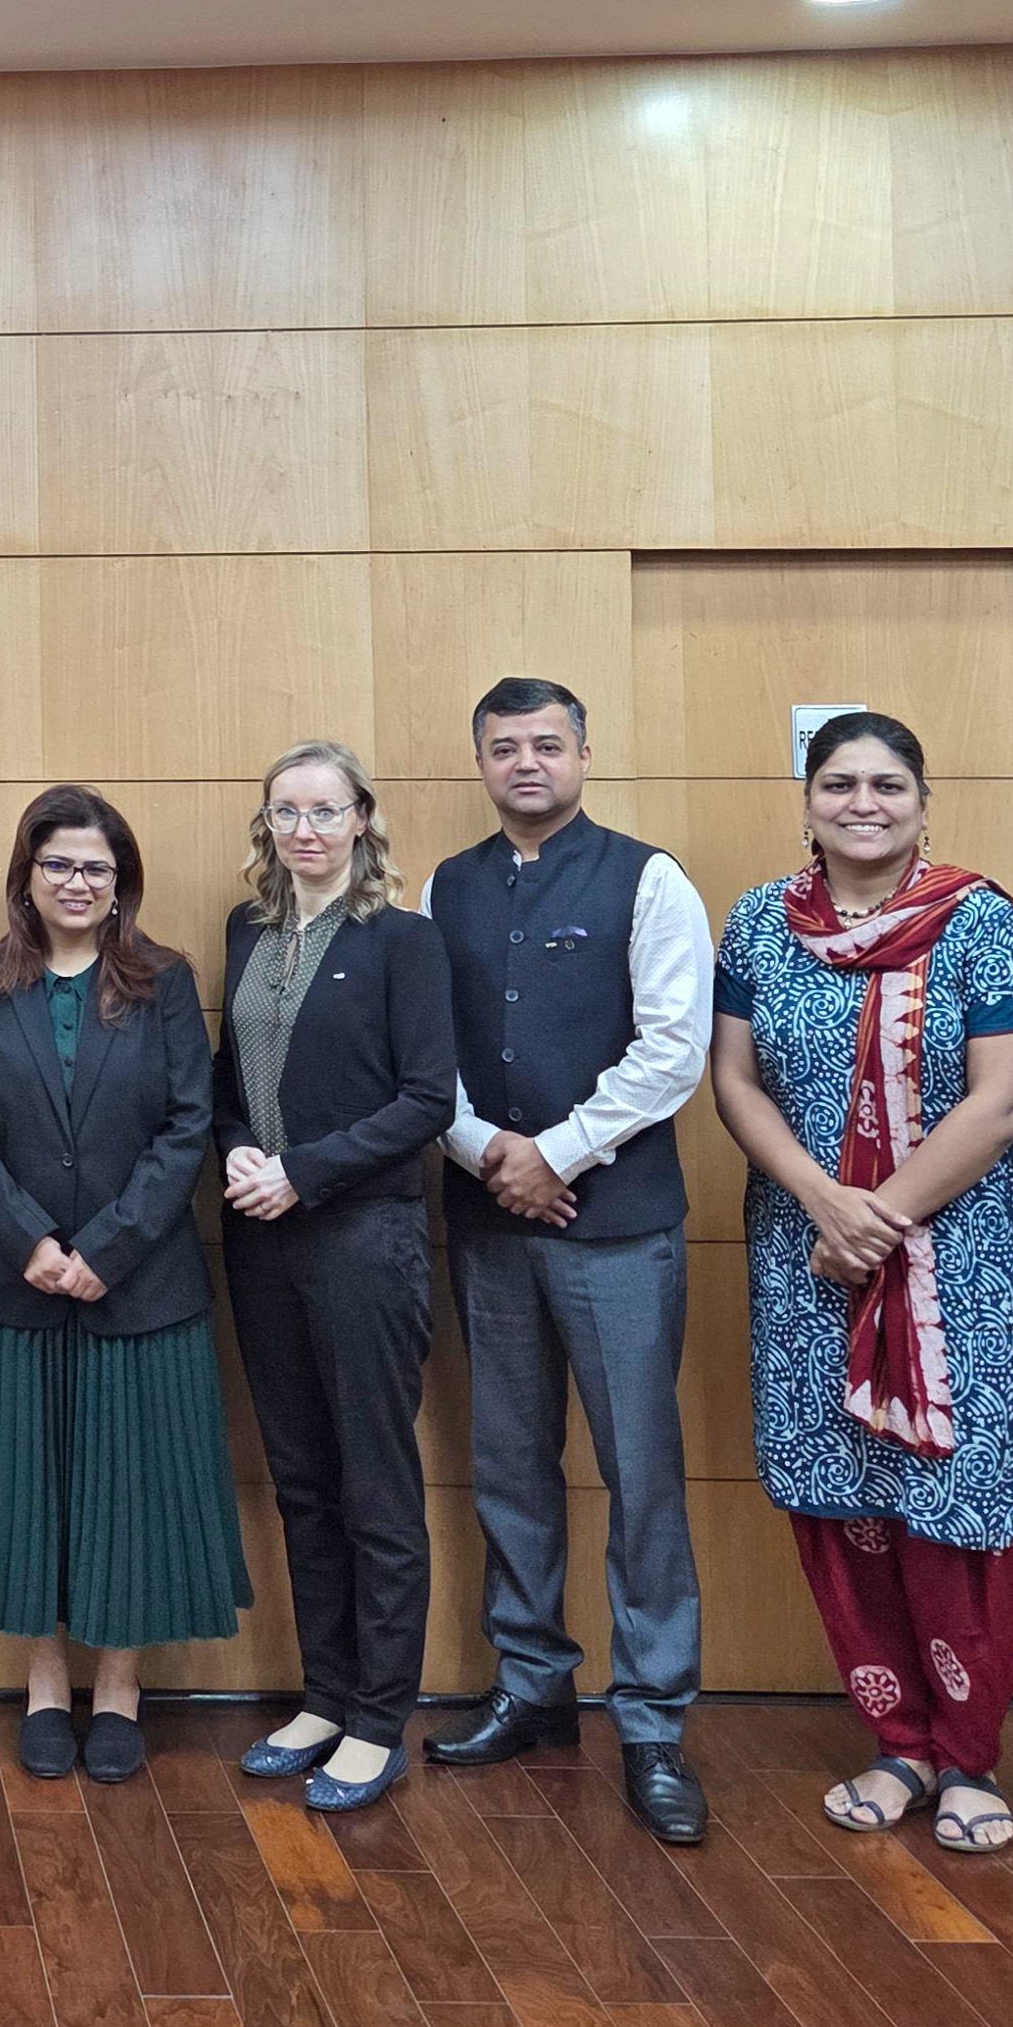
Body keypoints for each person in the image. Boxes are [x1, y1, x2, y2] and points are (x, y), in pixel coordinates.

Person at [708, 712, 1013, 1854]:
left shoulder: (979, 919)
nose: (865, 801)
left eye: (889, 783)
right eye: (841, 782)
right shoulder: (760, 921)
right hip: (806, 1255)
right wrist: (823, 1201)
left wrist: (883, 1217)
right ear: (807, 801)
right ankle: (897, 1743)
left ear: (922, 799)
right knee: (842, 1495)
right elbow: (734, 1081)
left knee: (954, 1503)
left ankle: (969, 1756)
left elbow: (1003, 1099)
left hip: (959, 1269)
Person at [417, 676, 714, 1845]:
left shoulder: (649, 876)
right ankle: (533, 1684)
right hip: (490, 1216)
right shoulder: (447, 884)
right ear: (481, 761)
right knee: (508, 1467)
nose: (526, 763)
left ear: (586, 753)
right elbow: (423, 1047)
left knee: (642, 1476)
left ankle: (652, 1720)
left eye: (548, 744)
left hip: (618, 1226)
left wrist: (559, 1153)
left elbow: (673, 1047)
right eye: (505, 747)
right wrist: (490, 1149)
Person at [0, 786, 246, 1782]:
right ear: (27, 875)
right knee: (26, 1488)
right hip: (8, 1287)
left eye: (95, 867)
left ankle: (119, 1690)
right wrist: (29, 1242)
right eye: (57, 863)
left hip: (138, 1285)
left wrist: (106, 1247)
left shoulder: (166, 984)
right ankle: (47, 1685)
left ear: (120, 885)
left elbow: (190, 1126)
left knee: (130, 1490)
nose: (76, 882)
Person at [217, 742, 454, 1815]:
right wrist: (235, 1150)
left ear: (363, 819)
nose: (304, 829)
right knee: (303, 1479)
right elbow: (229, 1081)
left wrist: (303, 1173)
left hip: (362, 1236)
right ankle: (323, 1694)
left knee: (374, 1483)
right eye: (286, 812)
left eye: (326, 809)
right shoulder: (248, 934)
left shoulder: (403, 942)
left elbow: (425, 1101)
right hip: (259, 1239)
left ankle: (376, 1719)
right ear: (267, 827)